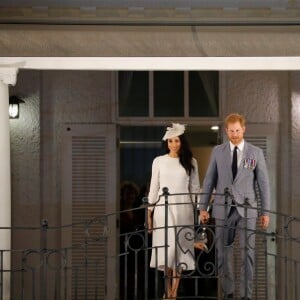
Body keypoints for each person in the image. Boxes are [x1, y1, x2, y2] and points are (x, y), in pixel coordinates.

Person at [199, 113, 271, 300]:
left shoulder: (255, 152)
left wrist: (265, 212)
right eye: (231, 131)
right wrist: (203, 207)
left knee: (248, 253)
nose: (235, 134)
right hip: (223, 208)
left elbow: (263, 184)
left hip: (248, 209)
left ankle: (246, 296)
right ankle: (229, 292)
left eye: (238, 130)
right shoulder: (218, 151)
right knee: (223, 253)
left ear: (243, 129)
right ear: (226, 131)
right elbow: (209, 181)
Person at [147, 123, 201, 299]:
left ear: (182, 142)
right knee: (167, 250)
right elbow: (153, 188)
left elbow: (195, 189)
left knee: (180, 249)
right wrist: (149, 214)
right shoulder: (159, 161)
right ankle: (167, 289)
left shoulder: (191, 162)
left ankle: (173, 292)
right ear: (167, 143)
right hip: (163, 211)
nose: (173, 144)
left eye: (176, 141)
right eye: (170, 141)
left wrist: (200, 210)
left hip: (184, 209)